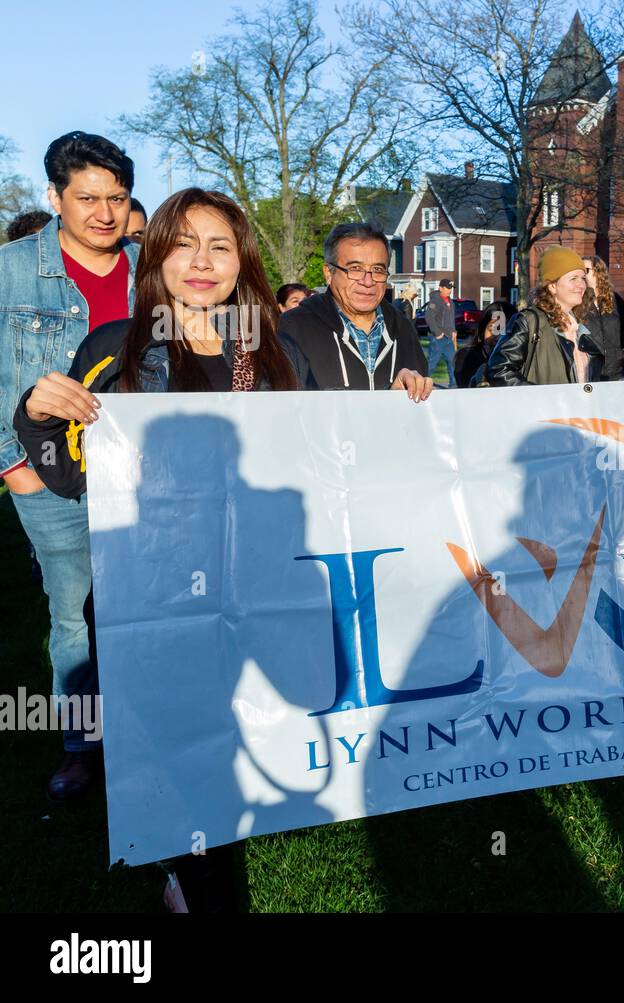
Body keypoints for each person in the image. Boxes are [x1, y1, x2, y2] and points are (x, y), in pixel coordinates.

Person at [13, 187, 305, 912]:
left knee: (233, 735)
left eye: (220, 245)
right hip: (154, 590)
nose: (201, 261)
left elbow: (332, 448)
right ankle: (194, 873)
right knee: (181, 747)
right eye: (183, 242)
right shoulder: (116, 347)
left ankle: (197, 858)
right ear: (156, 254)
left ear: (242, 259)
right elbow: (70, 470)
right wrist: (37, 415)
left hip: (252, 584)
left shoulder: (276, 349)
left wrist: (410, 399)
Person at [0, 131, 139, 800]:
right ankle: (81, 748)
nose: (104, 212)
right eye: (87, 197)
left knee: (145, 604)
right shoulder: (13, 269)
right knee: (75, 616)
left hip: (142, 477)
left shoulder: (155, 267)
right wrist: (13, 468)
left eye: (116, 197)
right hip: (50, 479)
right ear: (56, 197)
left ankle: (149, 730)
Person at [276, 222, 431, 396]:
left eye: (378, 269)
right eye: (355, 269)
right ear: (329, 273)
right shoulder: (294, 328)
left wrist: (395, 396)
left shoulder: (403, 329)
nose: (368, 281)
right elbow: (283, 408)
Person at [486, 247, 604, 386]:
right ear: (552, 286)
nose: (581, 285)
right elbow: (499, 370)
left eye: (583, 278)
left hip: (579, 407)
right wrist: (539, 398)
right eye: (573, 279)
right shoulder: (529, 321)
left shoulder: (580, 325)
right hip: (545, 407)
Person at [581, 255, 624, 380]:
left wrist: (623, 353)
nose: (582, 275)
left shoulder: (615, 299)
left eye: (586, 270)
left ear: (598, 272)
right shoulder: (578, 301)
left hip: (615, 369)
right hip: (589, 368)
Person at [455, 300, 513, 388]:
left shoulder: (521, 358)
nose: (497, 337)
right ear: (482, 330)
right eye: (492, 329)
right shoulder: (466, 357)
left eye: (504, 331)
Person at [425, 278, 458, 385]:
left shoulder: (451, 302)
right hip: (438, 338)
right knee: (432, 363)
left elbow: (451, 318)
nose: (450, 290)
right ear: (441, 288)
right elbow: (429, 317)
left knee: (452, 362)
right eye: (448, 288)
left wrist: (453, 331)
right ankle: (422, 382)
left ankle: (453, 385)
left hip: (449, 338)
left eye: (451, 288)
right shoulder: (435, 301)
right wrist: (437, 333)